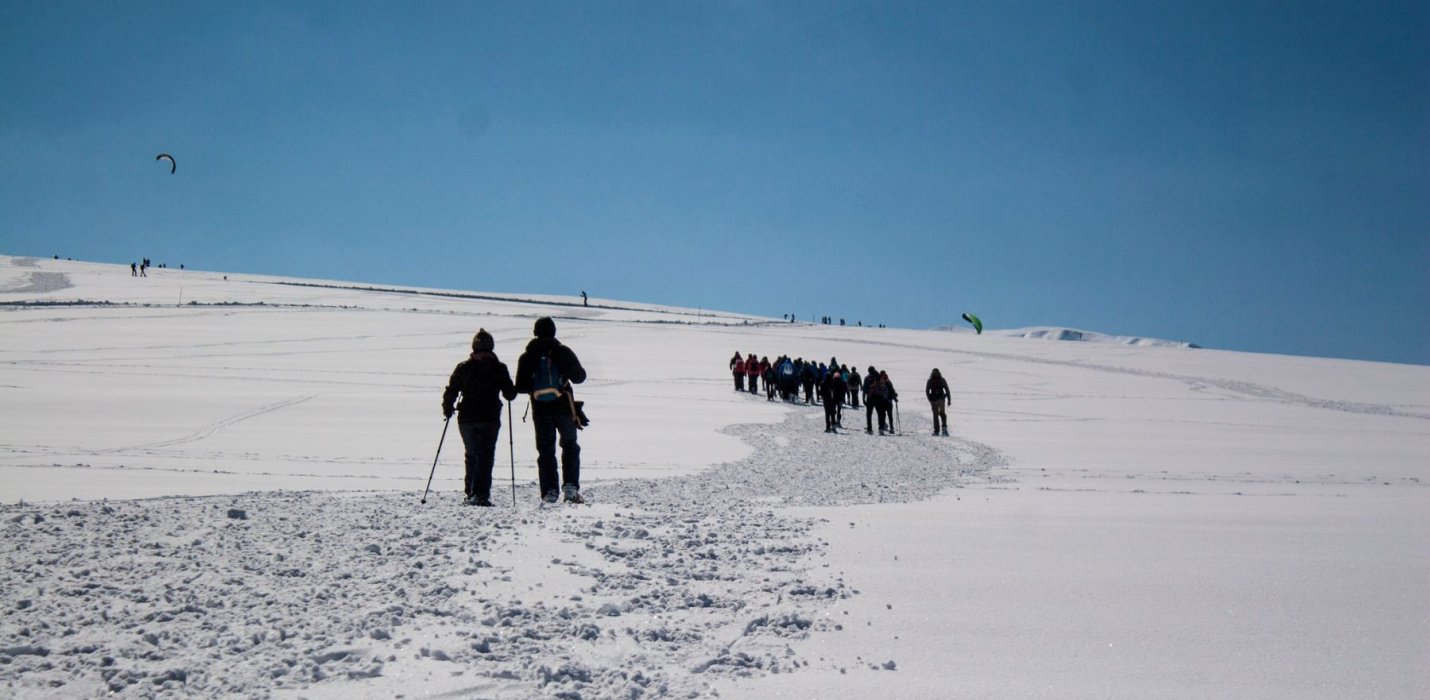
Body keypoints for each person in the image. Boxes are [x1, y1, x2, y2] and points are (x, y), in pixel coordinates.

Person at [514, 317, 588, 504]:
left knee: (546, 450)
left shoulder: (527, 356)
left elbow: (520, 387)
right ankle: (570, 488)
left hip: (540, 410)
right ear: (554, 332)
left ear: (535, 332)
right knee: (570, 446)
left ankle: (549, 491)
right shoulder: (562, 351)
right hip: (564, 407)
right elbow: (579, 377)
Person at [442, 329, 518, 506]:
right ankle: (481, 494)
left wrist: (447, 408)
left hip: (467, 418)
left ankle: (470, 492)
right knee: (486, 455)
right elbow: (510, 394)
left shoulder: (464, 367)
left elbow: (451, 390)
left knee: (472, 454)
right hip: (490, 418)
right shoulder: (499, 368)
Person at [819, 367, 847, 433]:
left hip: (826, 401)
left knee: (827, 414)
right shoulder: (833, 383)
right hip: (833, 401)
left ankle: (828, 427)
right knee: (832, 414)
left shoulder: (823, 383)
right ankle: (834, 427)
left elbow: (821, 393)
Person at [926, 368, 951, 436]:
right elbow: (947, 389)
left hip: (934, 400)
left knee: (935, 415)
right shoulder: (942, 379)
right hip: (941, 399)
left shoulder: (930, 380)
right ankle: (944, 428)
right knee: (942, 413)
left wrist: (930, 399)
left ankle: (936, 431)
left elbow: (927, 391)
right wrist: (949, 399)